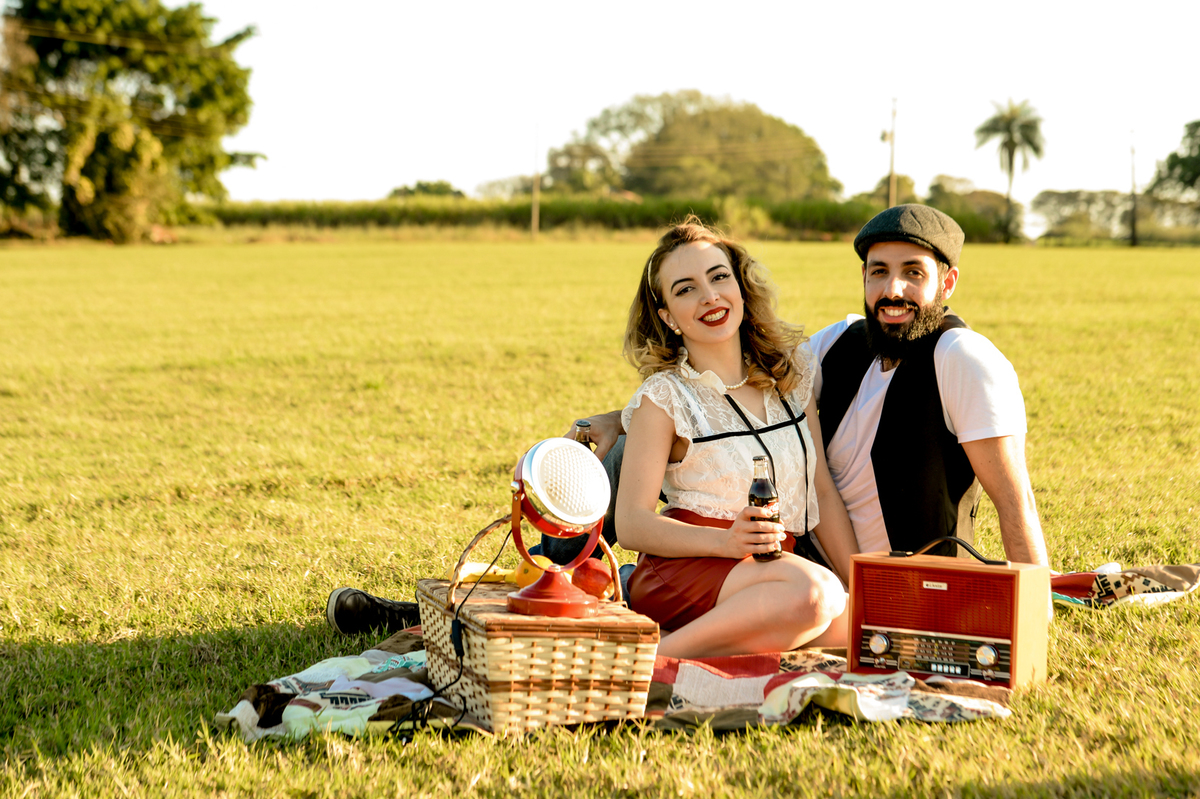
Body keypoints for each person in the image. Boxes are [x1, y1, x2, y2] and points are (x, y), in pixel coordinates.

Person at [577, 204, 1049, 568]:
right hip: (806, 549)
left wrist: (1034, 613)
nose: (894, 291)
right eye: (879, 271)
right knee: (633, 445)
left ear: (947, 284)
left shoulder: (962, 359)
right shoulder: (840, 342)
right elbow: (718, 391)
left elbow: (1015, 498)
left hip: (899, 574)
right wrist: (621, 419)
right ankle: (567, 564)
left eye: (914, 273)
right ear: (864, 277)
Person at [612, 218, 858, 658]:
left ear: (740, 288)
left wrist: (862, 586)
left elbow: (821, 491)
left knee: (853, 621)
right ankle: (653, 666)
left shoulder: (789, 378)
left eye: (719, 277)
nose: (709, 296)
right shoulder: (664, 396)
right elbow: (631, 523)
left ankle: (691, 650)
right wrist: (724, 543)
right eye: (685, 289)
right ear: (668, 316)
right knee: (817, 595)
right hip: (688, 564)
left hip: (773, 568)